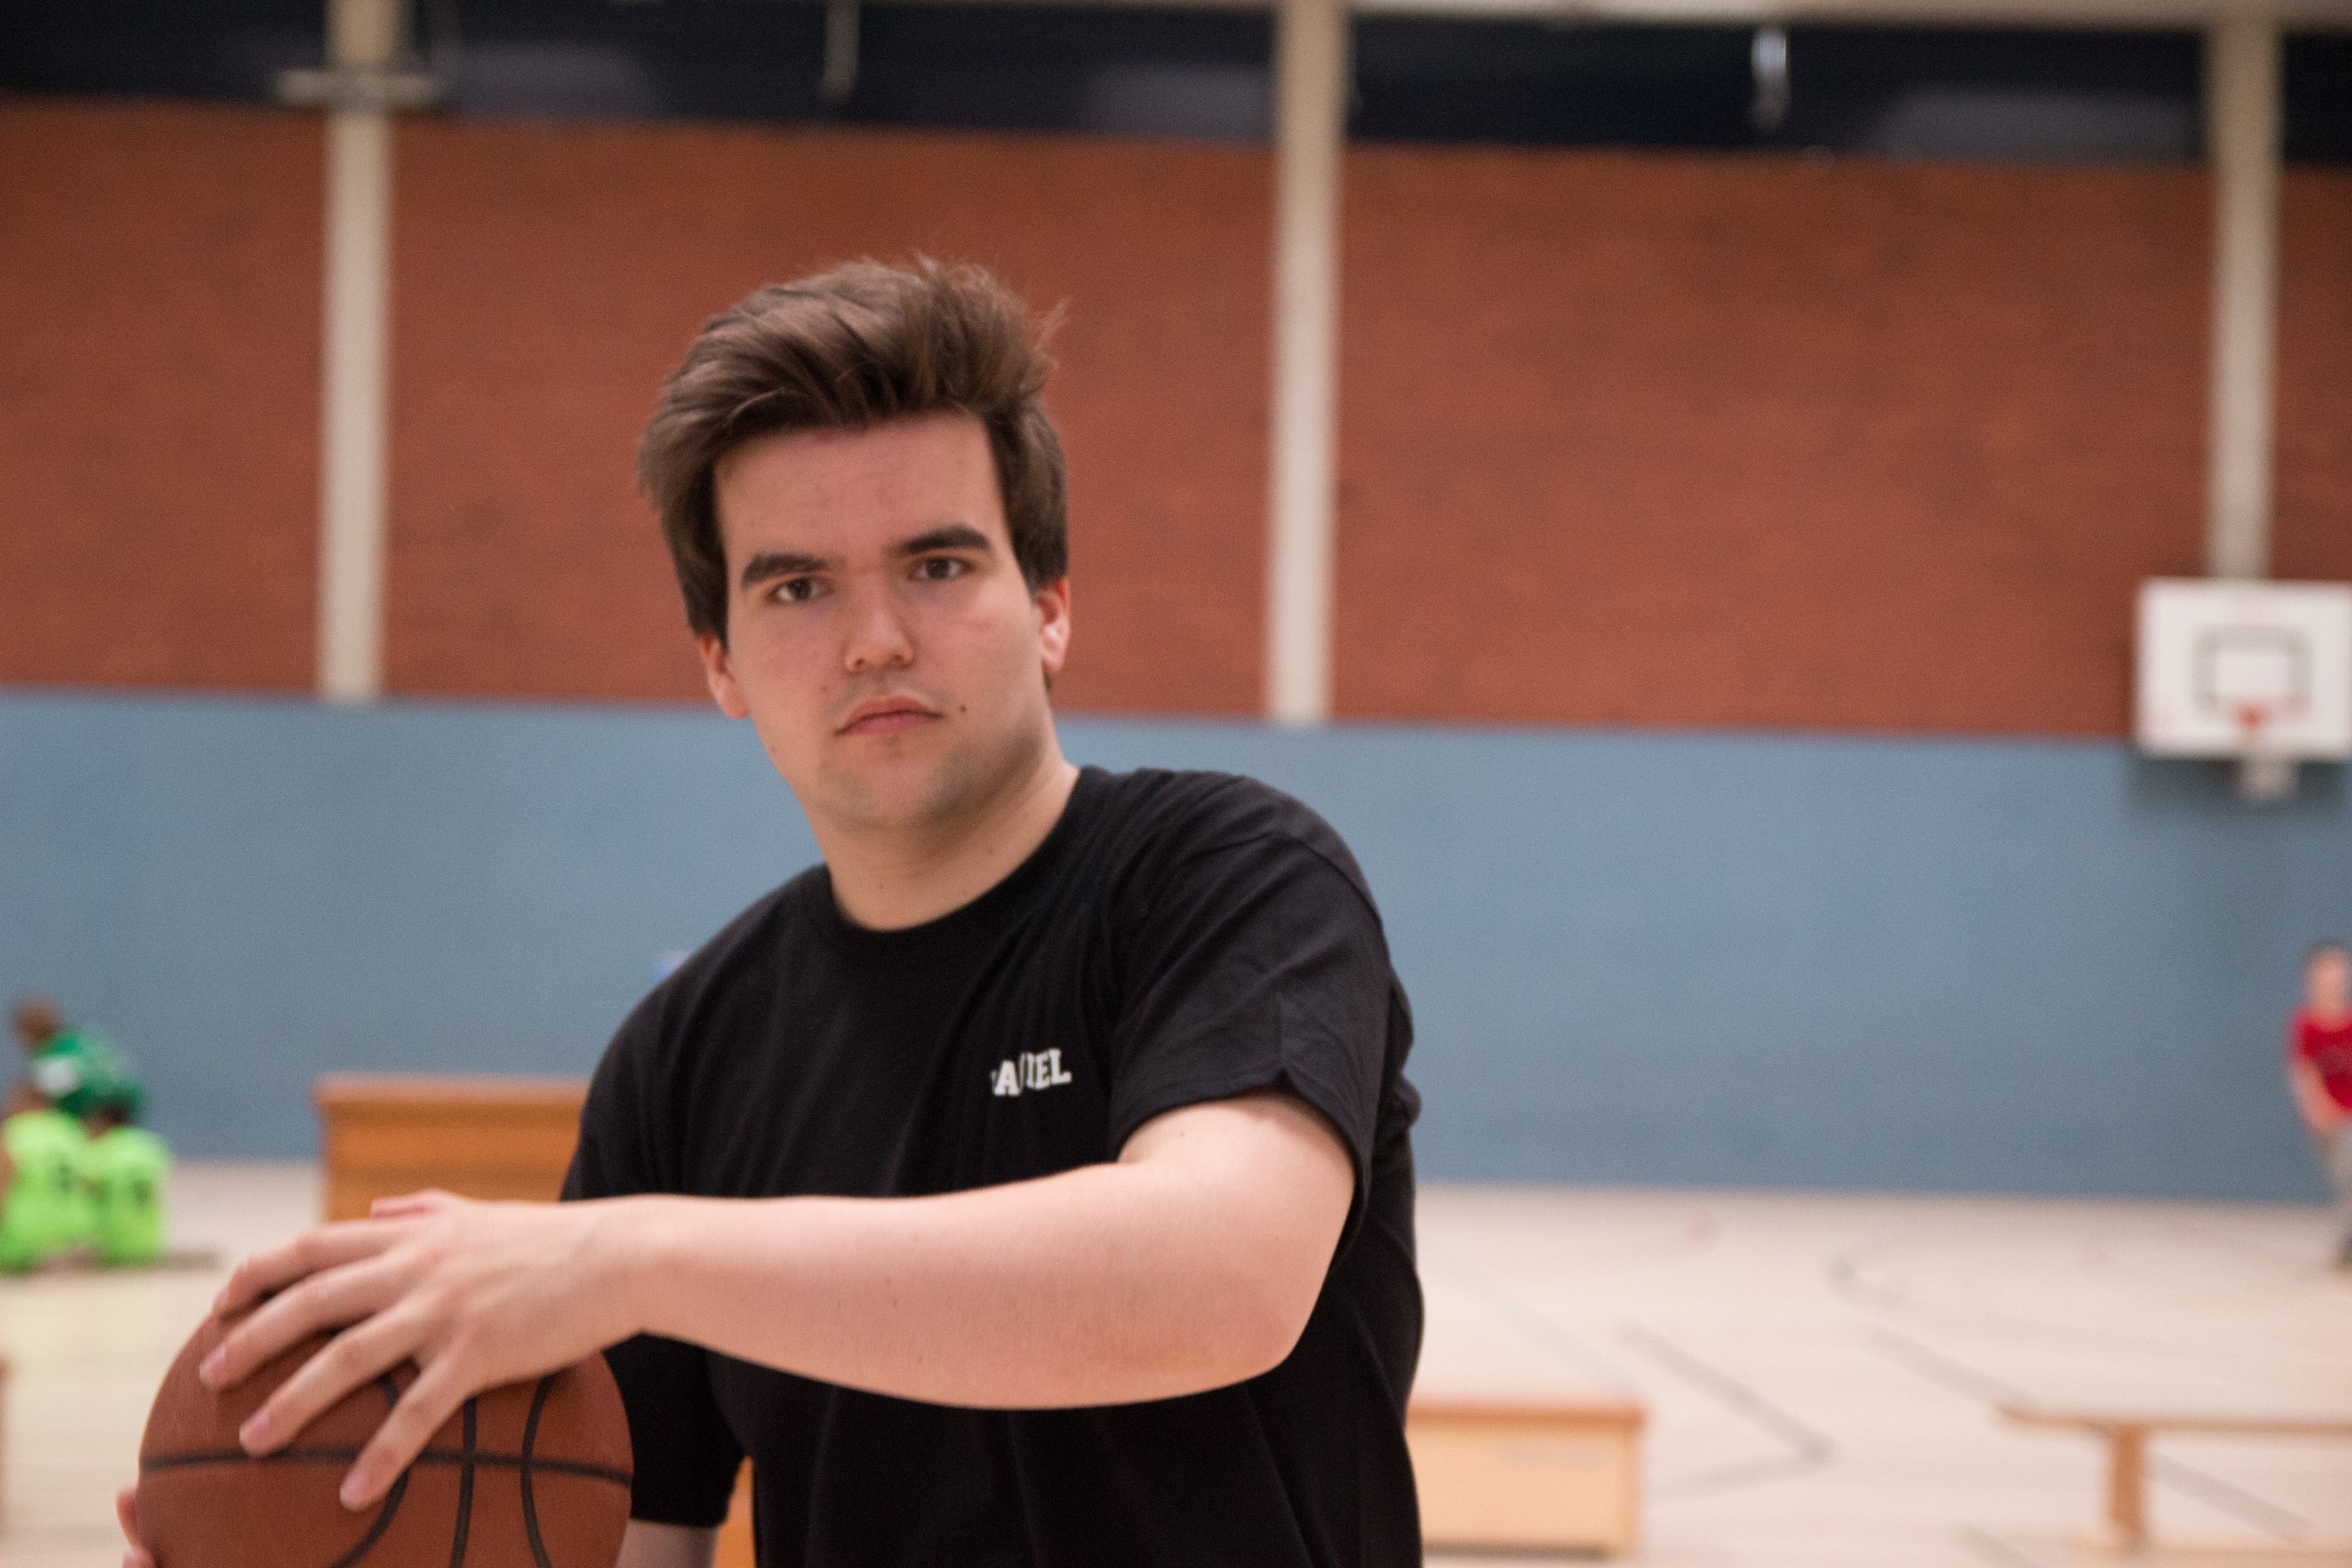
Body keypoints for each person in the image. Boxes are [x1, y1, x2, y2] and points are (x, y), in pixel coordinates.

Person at [122, 260, 1424, 1568]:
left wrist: (632, 1258)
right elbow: (635, 1544)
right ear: (721, 664)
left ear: (1048, 611)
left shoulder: (1228, 879)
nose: (875, 639)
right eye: (798, 587)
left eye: (937, 564)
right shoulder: (688, 1055)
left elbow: (1222, 1279)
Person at [2286, 942, 2352, 1268]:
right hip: (2330, 1118)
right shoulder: (2307, 1024)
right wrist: (2316, 1109)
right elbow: (2303, 1071)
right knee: (2345, 1178)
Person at [82, 1092, 171, 1268]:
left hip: (114, 1247)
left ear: (101, 1121)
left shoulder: (100, 1151)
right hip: (150, 1243)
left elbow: (86, 1194)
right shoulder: (150, 1146)